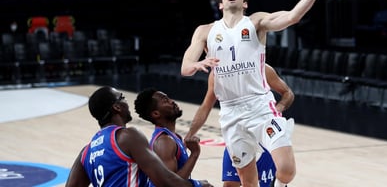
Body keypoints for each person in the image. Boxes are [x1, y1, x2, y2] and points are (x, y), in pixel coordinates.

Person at [180, 0, 332, 187]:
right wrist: (196, 65)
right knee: (248, 183)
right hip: (231, 114)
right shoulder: (204, 31)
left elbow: (292, 17)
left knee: (287, 170)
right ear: (220, 4)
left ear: (244, 3)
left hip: (260, 106)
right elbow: (185, 67)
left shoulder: (256, 21)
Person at [65, 86, 213, 187]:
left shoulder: (86, 152)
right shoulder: (128, 137)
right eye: (122, 97)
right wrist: (198, 184)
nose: (126, 102)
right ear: (116, 107)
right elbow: (165, 181)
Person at [185, 64, 295, 187]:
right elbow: (206, 106)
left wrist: (277, 109)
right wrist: (190, 133)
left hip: (262, 131)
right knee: (231, 184)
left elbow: (288, 93)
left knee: (281, 173)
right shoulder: (217, 74)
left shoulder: (260, 66)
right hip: (236, 131)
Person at [134, 87, 207, 187]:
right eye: (165, 101)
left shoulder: (172, 137)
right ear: (156, 113)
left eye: (168, 98)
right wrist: (194, 154)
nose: (172, 101)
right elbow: (170, 185)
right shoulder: (164, 141)